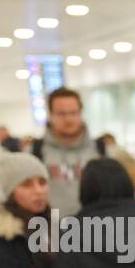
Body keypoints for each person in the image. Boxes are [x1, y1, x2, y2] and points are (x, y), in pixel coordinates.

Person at [32, 86, 105, 216]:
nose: (68, 119)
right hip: (50, 229)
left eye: (73, 112)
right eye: (61, 113)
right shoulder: (35, 151)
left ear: (80, 113)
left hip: (96, 228)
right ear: (50, 115)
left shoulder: (100, 149)